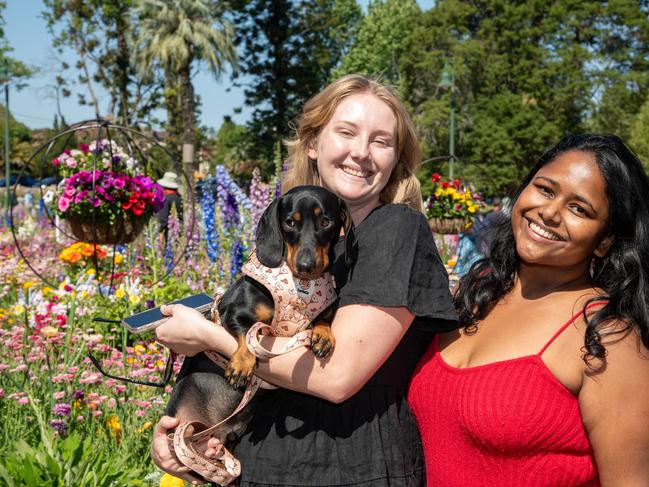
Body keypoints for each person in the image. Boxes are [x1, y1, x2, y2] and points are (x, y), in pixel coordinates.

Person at [150, 74, 458, 486]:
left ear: (396, 158)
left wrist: (209, 337)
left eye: (382, 141)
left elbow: (336, 377)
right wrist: (191, 436)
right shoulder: (293, 231)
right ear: (313, 143)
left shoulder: (395, 230)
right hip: (261, 460)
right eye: (346, 132)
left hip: (349, 468)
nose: (361, 153)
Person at [408, 134, 649, 486]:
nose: (550, 213)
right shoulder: (475, 298)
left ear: (605, 241)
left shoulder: (608, 335)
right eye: (546, 189)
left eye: (579, 209)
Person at [155, 171, 183, 244]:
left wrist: (160, 231)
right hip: (181, 230)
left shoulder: (165, 198)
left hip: (170, 232)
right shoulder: (179, 197)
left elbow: (163, 219)